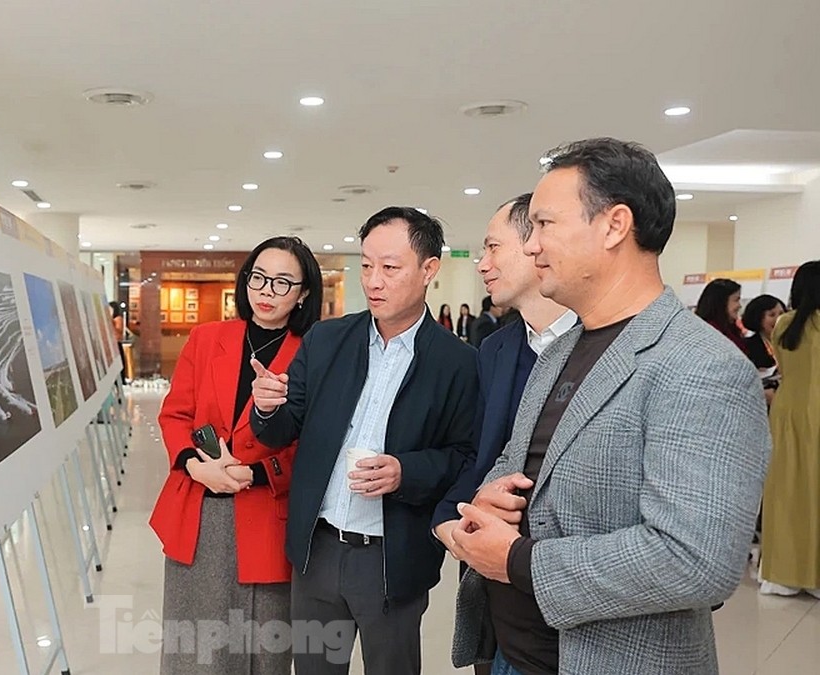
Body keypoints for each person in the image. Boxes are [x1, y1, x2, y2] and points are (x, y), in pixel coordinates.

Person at [450, 138, 769, 674]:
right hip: (513, 652)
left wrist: (516, 560)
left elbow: (694, 560)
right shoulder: (563, 349)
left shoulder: (700, 365)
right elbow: (521, 460)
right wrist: (488, 497)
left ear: (615, 225)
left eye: (546, 225)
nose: (531, 247)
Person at [250, 207, 478, 675]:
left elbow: (465, 457)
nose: (374, 280)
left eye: (390, 268)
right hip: (318, 550)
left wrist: (405, 472)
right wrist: (267, 407)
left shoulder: (458, 362)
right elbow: (279, 431)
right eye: (367, 265)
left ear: (429, 270)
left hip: (392, 557)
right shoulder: (327, 339)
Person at [150, 236, 323, 674]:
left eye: (283, 282)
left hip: (267, 516)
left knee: (262, 649)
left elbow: (314, 442)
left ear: (303, 293)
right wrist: (196, 464)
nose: (267, 291)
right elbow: (175, 415)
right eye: (259, 278)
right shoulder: (207, 338)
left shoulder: (313, 354)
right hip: (199, 512)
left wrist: (257, 474)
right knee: (194, 649)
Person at [433, 194, 575, 674]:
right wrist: (448, 522)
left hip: (571, 601)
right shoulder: (496, 350)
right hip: (499, 601)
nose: (482, 263)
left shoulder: (603, 345)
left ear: (536, 246)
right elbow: (480, 455)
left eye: (493, 247)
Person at [760, 260, 820, 598]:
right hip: (816, 413)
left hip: (786, 414)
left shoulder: (784, 325)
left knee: (785, 493)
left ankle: (782, 572)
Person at [696, 278, 748, 356]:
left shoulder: (731, 329)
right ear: (721, 302)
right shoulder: (708, 333)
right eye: (736, 300)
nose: (739, 305)